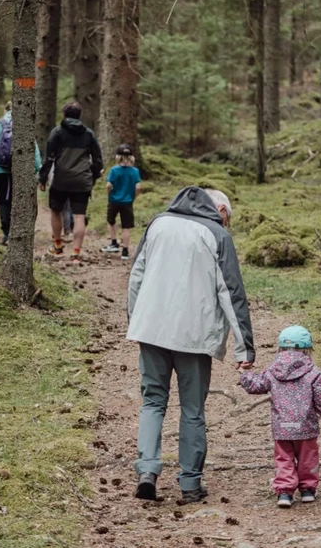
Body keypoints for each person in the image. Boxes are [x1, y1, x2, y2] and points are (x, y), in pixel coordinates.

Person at [127, 187, 256, 504]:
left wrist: (136, 320)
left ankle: (147, 471)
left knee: (152, 402)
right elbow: (231, 293)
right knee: (193, 410)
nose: (227, 223)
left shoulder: (158, 223)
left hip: (151, 329)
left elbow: (136, 276)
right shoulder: (217, 235)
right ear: (220, 209)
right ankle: (190, 483)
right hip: (194, 337)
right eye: (228, 217)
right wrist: (245, 348)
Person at [239, 325, 321, 508]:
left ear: (280, 347)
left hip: (282, 427)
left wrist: (245, 373)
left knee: (284, 458)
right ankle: (307, 490)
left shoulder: (273, 371)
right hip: (306, 426)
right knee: (308, 457)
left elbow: (256, 385)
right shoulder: (313, 372)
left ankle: (284, 492)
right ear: (307, 348)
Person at [38, 102, 103, 263]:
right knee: (79, 216)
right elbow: (98, 160)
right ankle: (76, 252)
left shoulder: (57, 132)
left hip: (61, 179)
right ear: (79, 115)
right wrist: (92, 176)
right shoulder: (88, 134)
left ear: (64, 114)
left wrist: (43, 178)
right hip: (82, 180)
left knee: (55, 211)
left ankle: (58, 246)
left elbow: (49, 158)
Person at [0, 101, 43, 245]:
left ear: (6, 110)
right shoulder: (25, 124)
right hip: (21, 171)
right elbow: (34, 150)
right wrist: (36, 169)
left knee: (4, 202)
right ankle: (20, 233)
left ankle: (6, 234)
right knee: (20, 202)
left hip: (0, 171)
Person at [101, 144, 141, 261]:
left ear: (118, 157)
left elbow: (108, 185)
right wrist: (133, 197)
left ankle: (113, 243)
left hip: (114, 200)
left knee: (110, 221)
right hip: (127, 202)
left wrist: (109, 195)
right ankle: (125, 251)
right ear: (132, 157)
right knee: (126, 227)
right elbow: (138, 187)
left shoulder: (114, 170)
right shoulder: (135, 171)